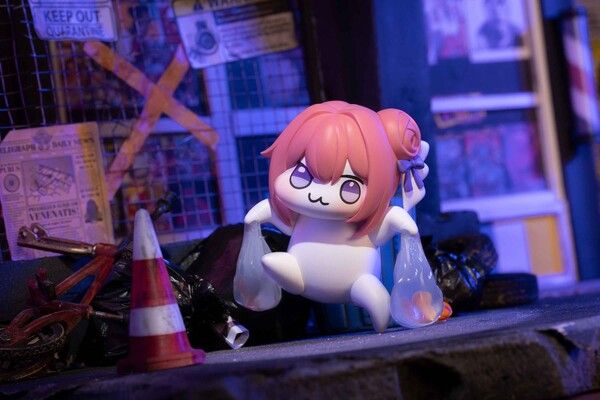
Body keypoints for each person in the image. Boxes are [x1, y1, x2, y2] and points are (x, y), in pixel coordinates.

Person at [242, 101, 442, 332]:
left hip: (357, 280)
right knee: (277, 265)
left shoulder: (367, 222)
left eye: (350, 186)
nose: (319, 195)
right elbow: (278, 216)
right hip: (300, 275)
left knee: (368, 290)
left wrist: (402, 223)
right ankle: (293, 274)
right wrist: (257, 217)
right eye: (302, 175)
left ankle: (374, 302)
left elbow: (387, 224)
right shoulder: (301, 216)